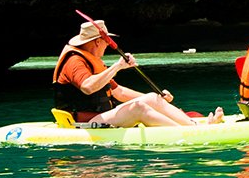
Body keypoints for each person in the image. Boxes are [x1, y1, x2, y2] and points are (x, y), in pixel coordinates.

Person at [52, 19, 220, 127]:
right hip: (82, 122)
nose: (106, 47)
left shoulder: (92, 60)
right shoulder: (75, 61)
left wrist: (157, 99)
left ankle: (195, 126)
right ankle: (189, 134)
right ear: (97, 42)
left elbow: (118, 92)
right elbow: (88, 87)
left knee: (152, 98)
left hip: (101, 116)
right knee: (138, 108)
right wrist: (117, 67)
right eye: (105, 43)